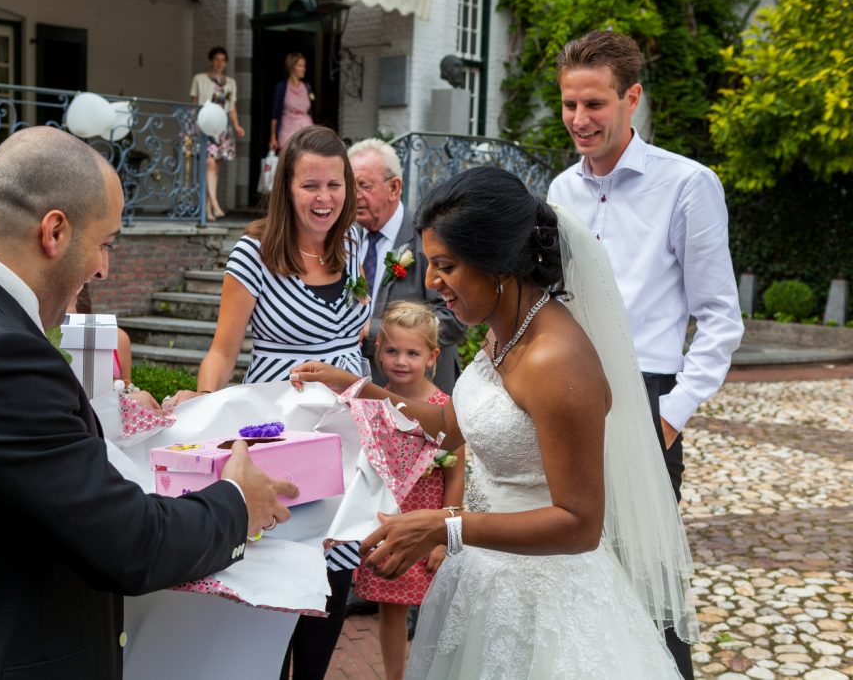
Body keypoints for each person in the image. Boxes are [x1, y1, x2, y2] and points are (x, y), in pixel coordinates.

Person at [0, 126, 296, 680]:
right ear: (54, 231)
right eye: (105, 243)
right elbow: (131, 546)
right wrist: (237, 502)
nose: (103, 268)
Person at [290, 166, 697, 679]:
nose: (433, 283)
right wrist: (355, 388)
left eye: (447, 266)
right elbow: (448, 426)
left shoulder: (557, 362)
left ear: (498, 266)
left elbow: (580, 525)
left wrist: (446, 525)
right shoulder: (498, 333)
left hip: (547, 604)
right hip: (481, 578)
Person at [547, 30, 743, 678]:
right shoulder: (558, 191)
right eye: (570, 104)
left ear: (632, 98)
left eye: (595, 104)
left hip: (649, 401)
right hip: (565, 400)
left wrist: (668, 416)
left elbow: (721, 320)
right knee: (574, 585)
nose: (579, 119)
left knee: (649, 597)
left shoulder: (688, 185)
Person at [166, 124, 370, 679]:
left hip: (349, 430)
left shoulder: (358, 247)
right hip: (279, 430)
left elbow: (358, 337)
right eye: (310, 186)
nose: (324, 198)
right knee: (283, 556)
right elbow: (222, 350)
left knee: (337, 561)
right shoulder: (253, 253)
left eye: (334, 184)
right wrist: (204, 411)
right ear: (286, 187)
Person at [352, 301, 464, 680]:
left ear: (433, 356)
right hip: (389, 519)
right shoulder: (373, 402)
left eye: (412, 353)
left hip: (429, 523)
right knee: (391, 608)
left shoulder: (444, 408)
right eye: (392, 351)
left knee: (436, 610)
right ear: (379, 351)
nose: (401, 360)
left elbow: (456, 473)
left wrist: (442, 538)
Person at [347, 138, 464, 394]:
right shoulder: (346, 240)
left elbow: (454, 319)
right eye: (349, 186)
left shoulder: (429, 240)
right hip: (362, 389)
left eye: (363, 186)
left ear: (394, 187)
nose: (353, 196)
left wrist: (374, 329)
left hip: (424, 396)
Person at [190, 46, 246, 222]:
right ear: (210, 61)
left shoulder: (230, 83)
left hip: (222, 128)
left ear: (226, 63)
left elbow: (232, 107)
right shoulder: (199, 79)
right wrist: (192, 128)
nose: (219, 63)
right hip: (205, 125)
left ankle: (207, 211)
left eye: (223, 60)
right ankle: (214, 203)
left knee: (214, 170)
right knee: (209, 165)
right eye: (216, 59)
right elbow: (194, 104)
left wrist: (237, 125)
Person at [269, 52, 314, 153]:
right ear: (292, 67)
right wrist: (272, 137)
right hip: (287, 128)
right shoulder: (282, 87)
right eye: (300, 65)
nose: (304, 69)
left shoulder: (307, 87)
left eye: (304, 66)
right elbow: (274, 115)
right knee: (288, 161)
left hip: (305, 129)